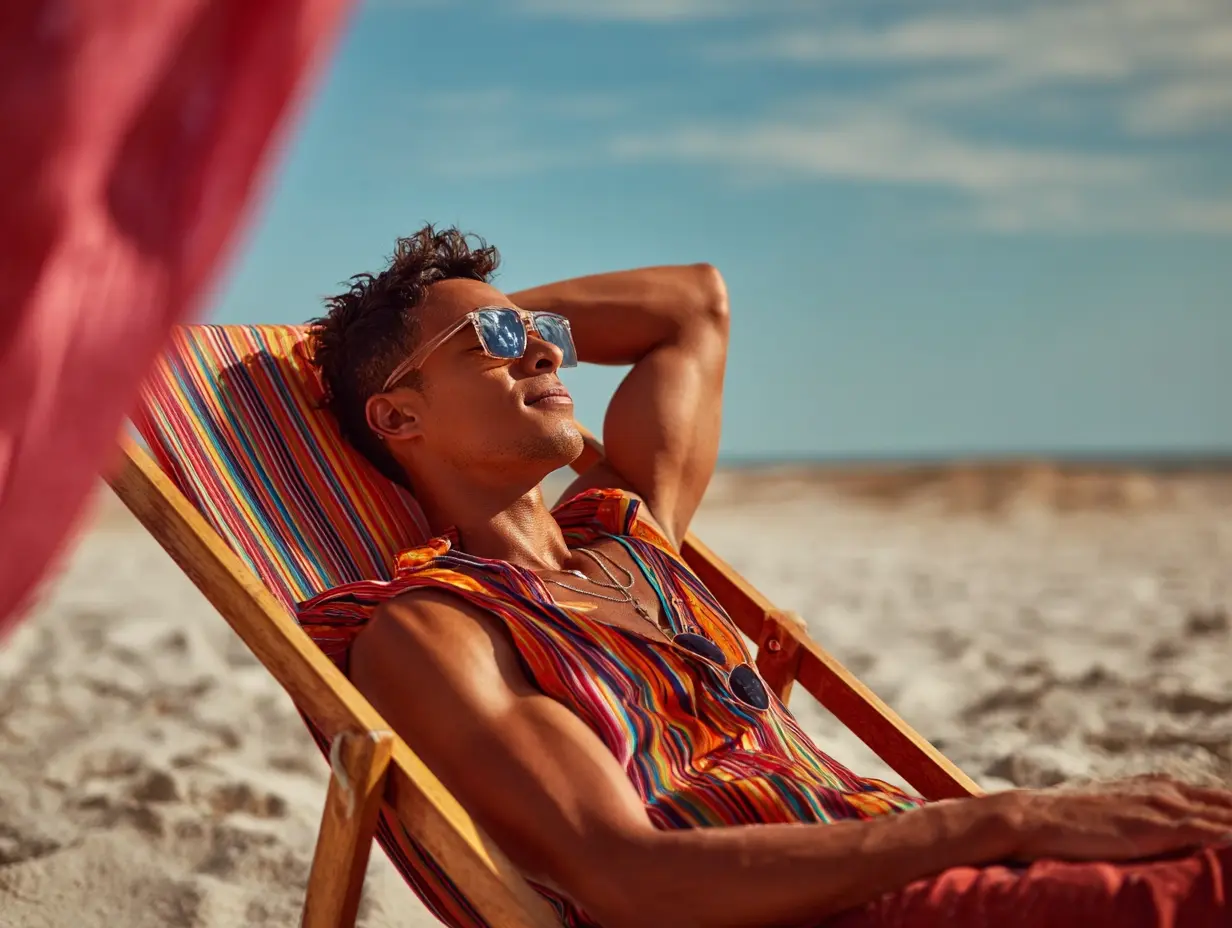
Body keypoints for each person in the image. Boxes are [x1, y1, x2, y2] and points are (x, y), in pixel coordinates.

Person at [299, 225, 1231, 928]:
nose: (547, 350)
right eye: (498, 342)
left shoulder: (631, 533)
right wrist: (1008, 819)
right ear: (398, 420)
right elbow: (628, 881)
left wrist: (487, 325)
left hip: (918, 859)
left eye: (543, 332)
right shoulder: (436, 630)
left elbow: (691, 306)